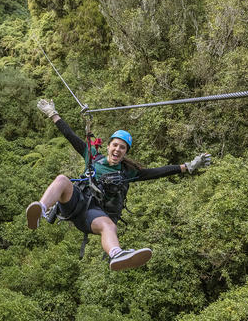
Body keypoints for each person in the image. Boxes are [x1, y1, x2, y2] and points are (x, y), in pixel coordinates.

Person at [27, 99, 211, 271]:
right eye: (115, 145)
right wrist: (53, 114)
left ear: (125, 152)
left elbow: (158, 172)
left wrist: (187, 167)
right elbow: (70, 136)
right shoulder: (92, 155)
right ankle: (41, 209)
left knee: (109, 226)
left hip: (94, 214)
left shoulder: (128, 172)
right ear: (108, 146)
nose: (117, 149)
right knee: (62, 180)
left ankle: (117, 254)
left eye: (122, 147)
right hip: (76, 202)